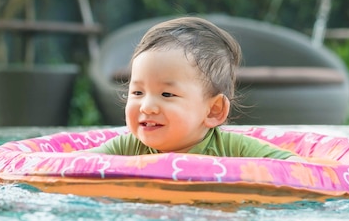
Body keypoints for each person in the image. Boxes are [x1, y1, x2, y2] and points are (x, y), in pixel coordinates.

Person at [88, 16, 300, 160]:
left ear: (213, 110)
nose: (147, 106)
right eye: (137, 92)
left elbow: (296, 167)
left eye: (167, 94)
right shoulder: (127, 147)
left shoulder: (233, 149)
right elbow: (75, 164)